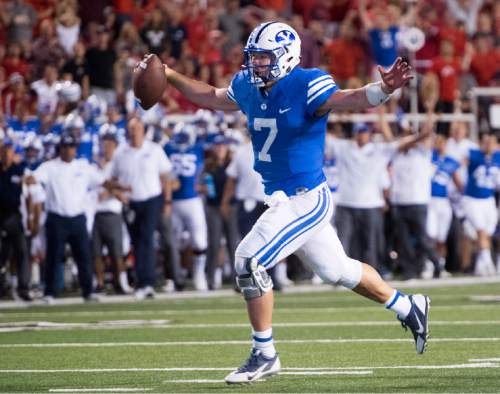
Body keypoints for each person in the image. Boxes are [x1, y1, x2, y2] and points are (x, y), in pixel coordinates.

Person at [161, 21, 430, 384]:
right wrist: (169, 74)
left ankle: (264, 353)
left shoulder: (305, 83)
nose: (255, 65)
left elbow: (345, 99)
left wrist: (382, 90)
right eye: (253, 58)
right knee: (338, 271)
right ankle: (408, 306)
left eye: (263, 58)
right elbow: (211, 95)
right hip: (284, 198)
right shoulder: (248, 87)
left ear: (286, 57)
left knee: (248, 260)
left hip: (306, 198)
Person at [110, 117, 173, 300]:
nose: (134, 132)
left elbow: (165, 176)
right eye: (131, 129)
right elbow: (112, 180)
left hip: (151, 199)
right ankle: (142, 282)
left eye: (137, 128)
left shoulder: (154, 149)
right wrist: (119, 193)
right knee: (136, 242)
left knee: (146, 239)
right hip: (131, 203)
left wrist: (167, 201)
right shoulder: (121, 152)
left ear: (143, 130)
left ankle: (147, 282)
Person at [164, 123, 208, 291]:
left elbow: (201, 170)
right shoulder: (167, 148)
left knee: (199, 240)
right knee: (172, 242)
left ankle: (199, 275)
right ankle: (174, 277)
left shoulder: (198, 149)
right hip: (173, 201)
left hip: (192, 199)